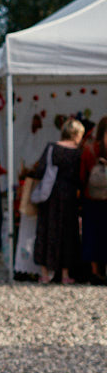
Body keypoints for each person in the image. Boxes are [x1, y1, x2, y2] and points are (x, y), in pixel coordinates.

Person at [28, 117, 85, 284]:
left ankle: (44, 273)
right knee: (67, 233)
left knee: (46, 231)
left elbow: (40, 170)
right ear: (76, 134)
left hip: (49, 194)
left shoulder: (52, 148)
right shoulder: (78, 153)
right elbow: (80, 177)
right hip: (69, 196)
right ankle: (65, 274)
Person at [80, 118, 107, 283]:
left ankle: (94, 271)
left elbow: (82, 176)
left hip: (91, 198)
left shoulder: (89, 149)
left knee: (91, 234)